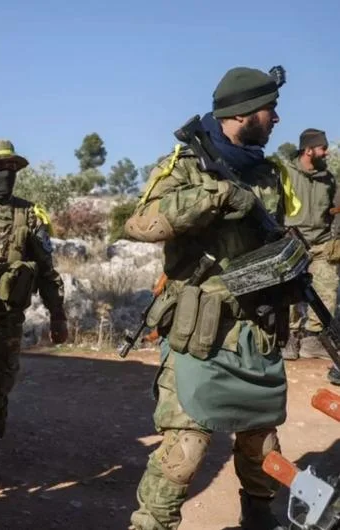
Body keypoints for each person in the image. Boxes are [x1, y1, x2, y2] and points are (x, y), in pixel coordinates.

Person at [124, 66, 290, 530]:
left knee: (261, 445)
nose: (276, 118)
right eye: (269, 109)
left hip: (255, 328)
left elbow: (278, 235)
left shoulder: (269, 174)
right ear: (241, 113)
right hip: (198, 328)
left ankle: (258, 516)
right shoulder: (185, 166)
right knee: (186, 448)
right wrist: (215, 198)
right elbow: (140, 223)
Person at [0, 139, 68, 489]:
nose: (7, 176)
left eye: (12, 170)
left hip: (7, 321)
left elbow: (47, 270)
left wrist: (58, 315)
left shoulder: (30, 214)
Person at [279, 128, 340, 364]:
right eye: (322, 148)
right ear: (308, 150)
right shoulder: (285, 173)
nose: (326, 152)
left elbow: (332, 210)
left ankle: (312, 340)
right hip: (293, 242)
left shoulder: (328, 179)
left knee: (326, 289)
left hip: (322, 243)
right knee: (291, 292)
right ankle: (290, 338)